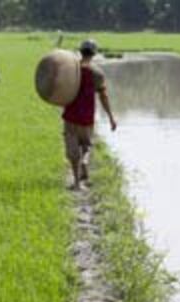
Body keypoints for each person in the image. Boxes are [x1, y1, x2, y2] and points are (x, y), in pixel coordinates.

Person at [62, 39, 117, 191]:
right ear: (94, 54)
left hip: (70, 116)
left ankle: (77, 183)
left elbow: (60, 89)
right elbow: (103, 97)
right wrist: (111, 117)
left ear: (80, 51)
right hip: (87, 117)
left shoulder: (70, 70)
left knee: (72, 151)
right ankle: (85, 161)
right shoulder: (97, 73)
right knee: (86, 145)